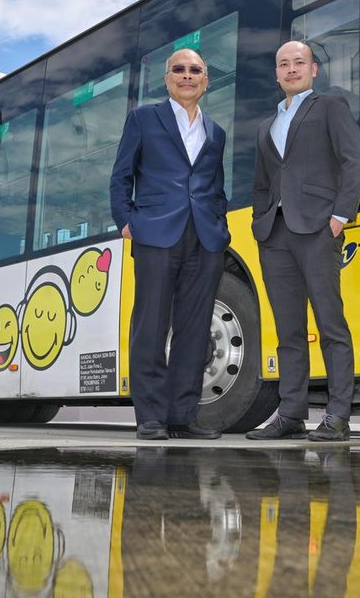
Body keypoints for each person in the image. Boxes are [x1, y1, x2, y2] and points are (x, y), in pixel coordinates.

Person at [247, 41, 360, 442]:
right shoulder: (267, 125)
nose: (291, 69)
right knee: (288, 332)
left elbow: (355, 161)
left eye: (299, 62)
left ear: (314, 69)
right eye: (283, 64)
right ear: (276, 74)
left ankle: (337, 416)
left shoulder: (330, 107)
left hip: (317, 229)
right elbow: (263, 182)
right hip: (275, 235)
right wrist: (259, 221)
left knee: (331, 324)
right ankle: (291, 414)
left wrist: (339, 217)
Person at [110, 48, 229, 441]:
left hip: (205, 238)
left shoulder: (217, 132)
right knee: (151, 324)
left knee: (195, 330)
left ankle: (183, 416)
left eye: (196, 70)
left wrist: (220, 225)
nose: (187, 75)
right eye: (179, 69)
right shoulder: (144, 118)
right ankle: (150, 417)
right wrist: (128, 222)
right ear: (167, 79)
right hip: (155, 234)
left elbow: (215, 187)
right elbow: (121, 176)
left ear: (206, 81)